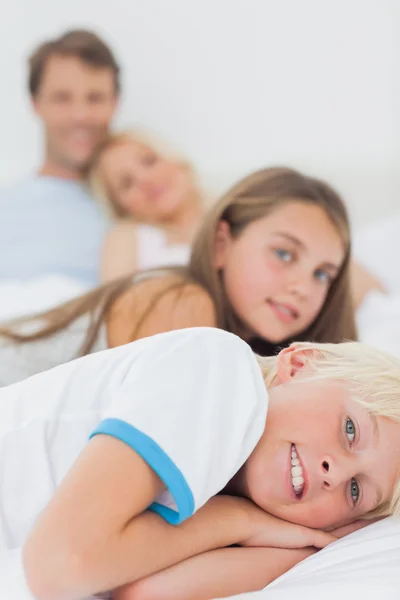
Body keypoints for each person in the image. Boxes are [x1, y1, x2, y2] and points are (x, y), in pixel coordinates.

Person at [0, 327, 397, 599]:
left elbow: (144, 592)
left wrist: (308, 547)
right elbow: (59, 567)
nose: (337, 473)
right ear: (299, 364)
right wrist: (240, 520)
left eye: (356, 491)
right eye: (350, 429)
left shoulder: (226, 491)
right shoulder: (220, 373)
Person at [0, 166, 356, 386]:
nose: (303, 288)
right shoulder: (182, 304)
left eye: (323, 275)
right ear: (220, 244)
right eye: (284, 254)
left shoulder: (245, 355)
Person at [0, 29, 119, 285]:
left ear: (115, 103)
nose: (80, 115)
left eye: (95, 98)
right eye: (62, 98)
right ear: (36, 104)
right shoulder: (5, 208)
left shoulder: (147, 202)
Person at [89, 130, 205, 281]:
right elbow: (118, 301)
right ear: (121, 207)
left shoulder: (233, 209)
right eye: (127, 183)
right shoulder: (127, 236)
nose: (145, 180)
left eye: (149, 161)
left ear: (175, 160)